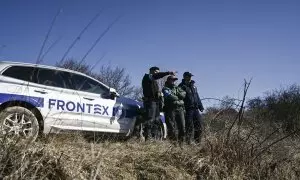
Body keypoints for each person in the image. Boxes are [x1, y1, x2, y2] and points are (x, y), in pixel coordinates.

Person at [142, 66, 175, 141]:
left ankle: (155, 138)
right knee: (150, 119)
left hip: (157, 102)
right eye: (156, 71)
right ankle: (148, 138)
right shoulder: (147, 77)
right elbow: (156, 76)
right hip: (150, 101)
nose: (158, 73)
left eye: (158, 71)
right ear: (151, 71)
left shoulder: (157, 81)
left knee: (157, 120)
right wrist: (168, 73)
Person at [178, 72, 204, 145]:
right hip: (187, 109)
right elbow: (180, 98)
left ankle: (198, 142)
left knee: (199, 125)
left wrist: (200, 106)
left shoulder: (194, 86)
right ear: (184, 77)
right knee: (189, 126)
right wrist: (182, 108)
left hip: (195, 109)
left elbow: (197, 97)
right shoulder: (181, 86)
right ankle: (188, 142)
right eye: (188, 76)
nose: (190, 78)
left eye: (190, 76)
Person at [162, 75, 186, 146]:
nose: (173, 81)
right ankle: (173, 144)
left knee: (182, 127)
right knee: (172, 127)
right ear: (168, 80)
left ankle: (181, 144)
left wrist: (179, 99)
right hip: (170, 109)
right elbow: (170, 96)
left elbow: (184, 95)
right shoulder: (165, 88)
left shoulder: (178, 88)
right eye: (171, 80)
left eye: (174, 80)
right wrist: (179, 98)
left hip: (180, 109)